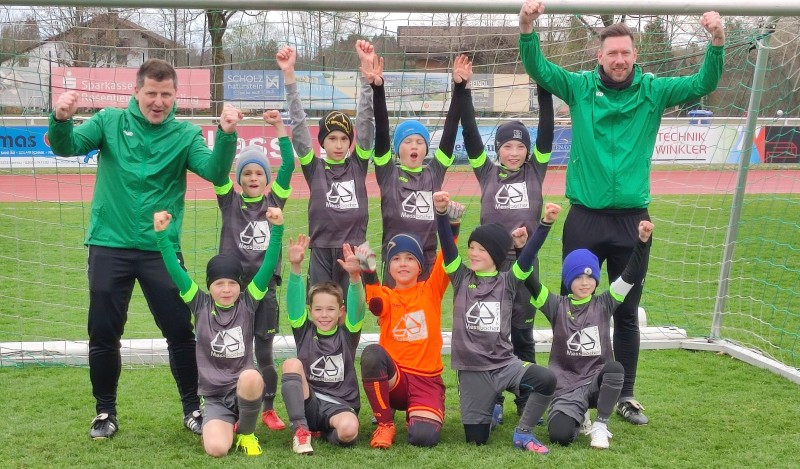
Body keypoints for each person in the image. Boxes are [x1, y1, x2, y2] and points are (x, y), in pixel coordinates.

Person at [519, 0, 725, 424]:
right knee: (573, 310)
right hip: (585, 218)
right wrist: (526, 29)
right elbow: (540, 69)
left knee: (626, 311)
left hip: (632, 221)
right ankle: (569, 385)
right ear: (600, 56)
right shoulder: (579, 87)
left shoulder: (653, 91)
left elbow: (703, 81)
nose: (618, 59)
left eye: (625, 53)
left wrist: (717, 42)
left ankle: (626, 394)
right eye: (611, 53)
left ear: (635, 55)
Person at [48, 58, 243, 439]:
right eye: (151, 93)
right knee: (104, 333)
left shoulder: (184, 135)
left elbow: (216, 172)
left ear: (175, 95)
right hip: (109, 244)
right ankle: (105, 412)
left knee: (180, 331)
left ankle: (193, 408)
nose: (158, 101)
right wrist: (60, 119)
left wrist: (226, 134)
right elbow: (66, 146)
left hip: (161, 249)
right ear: (136, 91)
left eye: (166, 94)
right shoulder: (109, 122)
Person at [153, 207, 284, 457]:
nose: (226, 289)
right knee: (216, 449)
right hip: (214, 397)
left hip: (243, 389)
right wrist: (162, 236)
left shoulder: (248, 302)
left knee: (252, 377)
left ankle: (246, 433)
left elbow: (268, 265)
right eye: (219, 284)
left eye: (232, 283)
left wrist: (277, 229)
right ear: (209, 286)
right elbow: (175, 271)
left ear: (240, 285)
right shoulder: (200, 304)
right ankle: (226, 422)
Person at [433, 191, 558, 454]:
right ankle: (487, 409)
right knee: (477, 439)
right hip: (472, 371)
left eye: (481, 249)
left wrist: (545, 223)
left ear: (496, 254)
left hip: (504, 365)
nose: (473, 253)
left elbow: (528, 255)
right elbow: (447, 246)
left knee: (546, 379)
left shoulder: (508, 282)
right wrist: (441, 213)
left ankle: (523, 432)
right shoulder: (460, 277)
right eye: (471, 247)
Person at [461, 82, 555, 423]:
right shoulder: (486, 172)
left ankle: (526, 400)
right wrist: (463, 91)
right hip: (492, 270)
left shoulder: (535, 170)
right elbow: (470, 134)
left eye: (520, 146)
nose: (514, 153)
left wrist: (544, 90)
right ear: (497, 149)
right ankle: (493, 400)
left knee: (522, 333)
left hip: (525, 267)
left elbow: (547, 131)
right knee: (491, 334)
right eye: (507, 146)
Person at [521, 220, 653, 449]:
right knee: (560, 436)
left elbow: (630, 275)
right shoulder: (555, 305)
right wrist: (522, 248)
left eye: (590, 277)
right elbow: (529, 280)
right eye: (578, 277)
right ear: (568, 280)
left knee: (615, 368)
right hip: (567, 387)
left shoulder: (605, 302)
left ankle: (601, 425)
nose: (585, 283)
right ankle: (578, 415)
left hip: (596, 383)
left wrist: (642, 242)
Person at [213, 110, 295, 431]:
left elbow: (288, 166)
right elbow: (218, 170)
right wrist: (226, 132)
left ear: (266, 178)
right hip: (234, 291)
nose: (253, 178)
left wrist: (279, 127)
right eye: (246, 173)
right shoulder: (229, 202)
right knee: (236, 351)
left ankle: (268, 408)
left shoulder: (275, 201)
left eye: (258, 172)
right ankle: (233, 405)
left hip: (265, 289)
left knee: (264, 351)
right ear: (238, 178)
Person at [359, 201, 464, 449]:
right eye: (396, 259)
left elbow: (446, 257)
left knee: (422, 438)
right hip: (396, 380)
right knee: (372, 354)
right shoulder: (386, 295)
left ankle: (419, 412)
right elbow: (375, 304)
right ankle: (385, 423)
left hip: (427, 380)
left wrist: (453, 226)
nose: (403, 263)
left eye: (409, 258)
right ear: (389, 267)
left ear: (420, 266)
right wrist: (368, 270)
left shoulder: (431, 289)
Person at [277, 42, 375, 299]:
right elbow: (299, 124)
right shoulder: (314, 168)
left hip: (357, 248)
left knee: (355, 308)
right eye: (332, 139)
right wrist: (289, 74)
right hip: (321, 248)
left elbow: (365, 120)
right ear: (322, 142)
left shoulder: (358, 164)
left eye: (344, 139)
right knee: (321, 307)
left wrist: (366, 78)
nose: (339, 145)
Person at [365, 46, 469, 287]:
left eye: (420, 142)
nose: (414, 146)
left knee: (425, 310)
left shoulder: (434, 172)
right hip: (395, 261)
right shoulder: (388, 173)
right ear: (397, 149)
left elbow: (450, 130)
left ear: (426, 149)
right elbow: (382, 130)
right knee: (392, 310)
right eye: (408, 141)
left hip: (427, 261)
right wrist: (378, 89)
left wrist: (459, 87)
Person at [280, 235, 367, 454]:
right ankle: (301, 430)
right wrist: (296, 267)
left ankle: (326, 432)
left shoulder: (348, 334)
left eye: (330, 309)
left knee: (348, 431)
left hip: (339, 405)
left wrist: (355, 277)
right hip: (309, 402)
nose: (324, 315)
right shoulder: (304, 331)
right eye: (318, 309)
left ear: (341, 311)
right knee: (291, 364)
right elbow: (294, 303)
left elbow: (358, 307)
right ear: (310, 311)